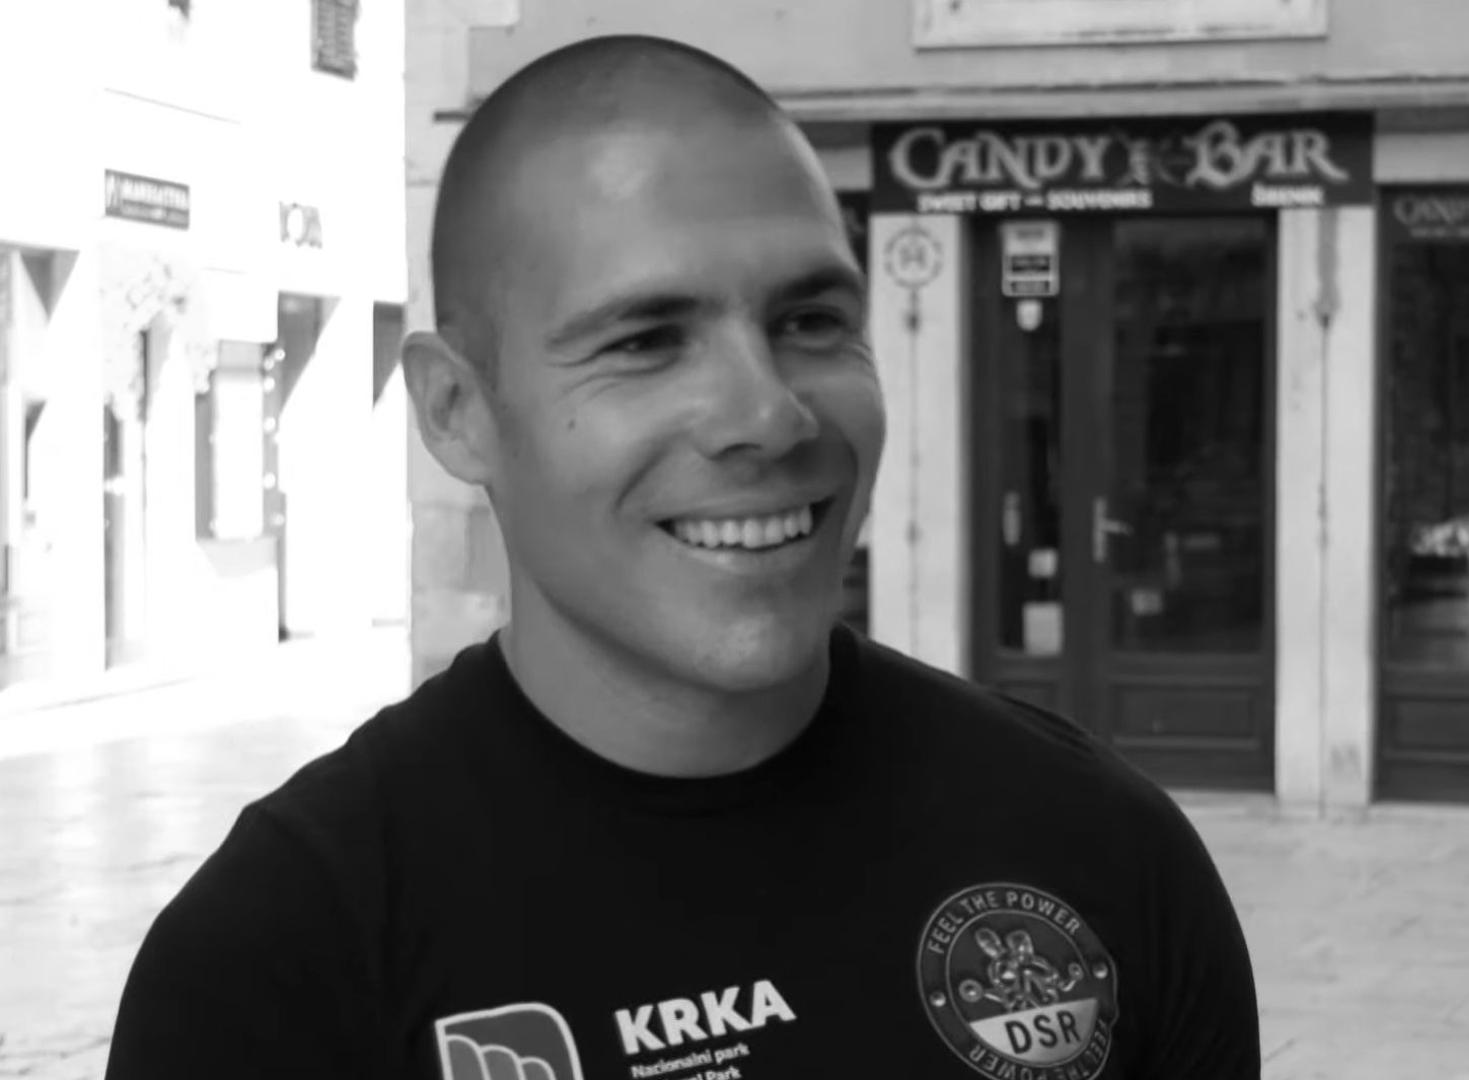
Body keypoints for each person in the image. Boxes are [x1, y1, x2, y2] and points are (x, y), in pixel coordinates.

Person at [104, 34, 1260, 1080]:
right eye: (647, 340)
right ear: (457, 411)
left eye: (811, 322)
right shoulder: (278, 967)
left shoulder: (1101, 852)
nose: (768, 415)